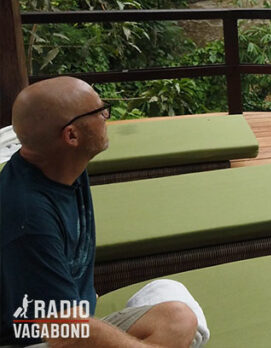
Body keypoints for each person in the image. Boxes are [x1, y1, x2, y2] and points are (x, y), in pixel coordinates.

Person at [1, 77, 200, 347]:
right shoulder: (28, 218)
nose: (106, 115)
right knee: (183, 325)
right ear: (71, 135)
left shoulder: (64, 166)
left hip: (72, 318)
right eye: (98, 111)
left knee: (177, 308)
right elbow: (62, 333)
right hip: (36, 339)